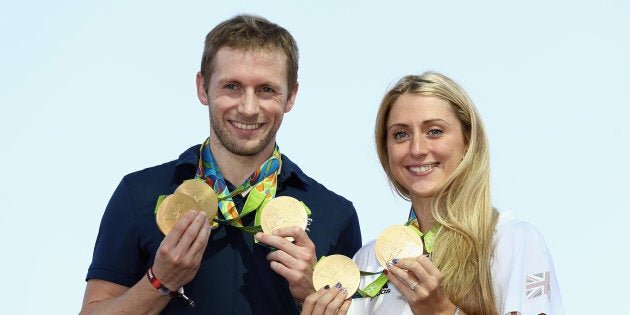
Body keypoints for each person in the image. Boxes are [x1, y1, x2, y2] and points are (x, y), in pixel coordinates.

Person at [80, 14, 362, 315]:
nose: (248, 108)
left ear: (291, 96)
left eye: (266, 89)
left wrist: (310, 293)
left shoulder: (336, 214)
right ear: (203, 88)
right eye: (232, 86)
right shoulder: (138, 194)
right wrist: (160, 281)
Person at [300, 72, 564, 315]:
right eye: (401, 134)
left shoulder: (513, 240)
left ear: (468, 142)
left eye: (434, 131)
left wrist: (442, 312)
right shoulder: (369, 260)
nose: (416, 148)